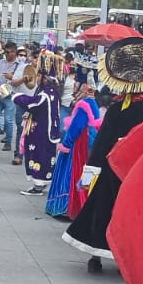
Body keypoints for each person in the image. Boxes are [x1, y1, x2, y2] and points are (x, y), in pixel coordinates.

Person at [64, 38, 143, 273]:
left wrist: (91, 168)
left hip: (112, 169)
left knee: (101, 209)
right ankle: (125, 257)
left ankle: (95, 257)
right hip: (135, 172)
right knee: (131, 214)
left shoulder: (115, 110)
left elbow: (102, 142)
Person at [47, 84, 101, 219]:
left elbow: (77, 126)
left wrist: (66, 143)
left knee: (72, 172)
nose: (77, 88)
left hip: (79, 143)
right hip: (86, 141)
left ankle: (68, 206)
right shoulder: (92, 103)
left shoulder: (84, 104)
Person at [14, 53, 62, 195]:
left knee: (40, 156)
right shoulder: (53, 92)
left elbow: (33, 104)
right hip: (49, 131)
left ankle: (38, 186)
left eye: (40, 76)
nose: (38, 78)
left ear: (46, 79)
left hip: (42, 132)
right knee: (46, 156)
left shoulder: (45, 94)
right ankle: (42, 183)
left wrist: (16, 96)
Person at [0, 42, 20, 151]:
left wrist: (12, 77)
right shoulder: (1, 63)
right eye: (5, 52)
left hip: (11, 96)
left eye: (8, 52)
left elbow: (23, 79)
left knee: (8, 120)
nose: (6, 54)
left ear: (14, 52)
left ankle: (8, 142)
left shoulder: (19, 65)